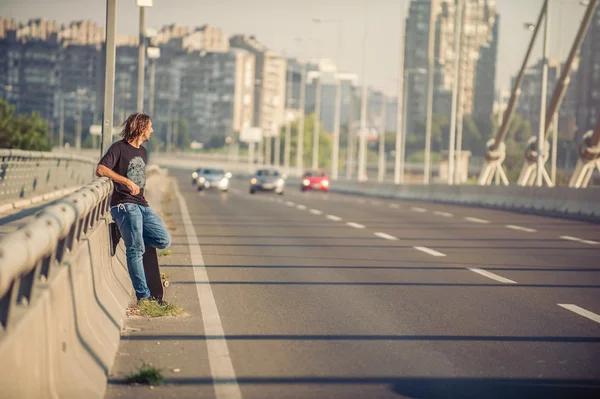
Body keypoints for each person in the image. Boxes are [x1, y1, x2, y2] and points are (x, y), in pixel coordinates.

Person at [96, 112, 171, 301]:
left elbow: (142, 182)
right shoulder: (119, 148)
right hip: (124, 205)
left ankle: (121, 231)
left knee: (163, 240)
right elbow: (101, 169)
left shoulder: (143, 152)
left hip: (141, 205)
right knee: (136, 249)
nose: (152, 131)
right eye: (150, 127)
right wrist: (126, 182)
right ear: (141, 127)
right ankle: (143, 297)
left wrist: (143, 201)